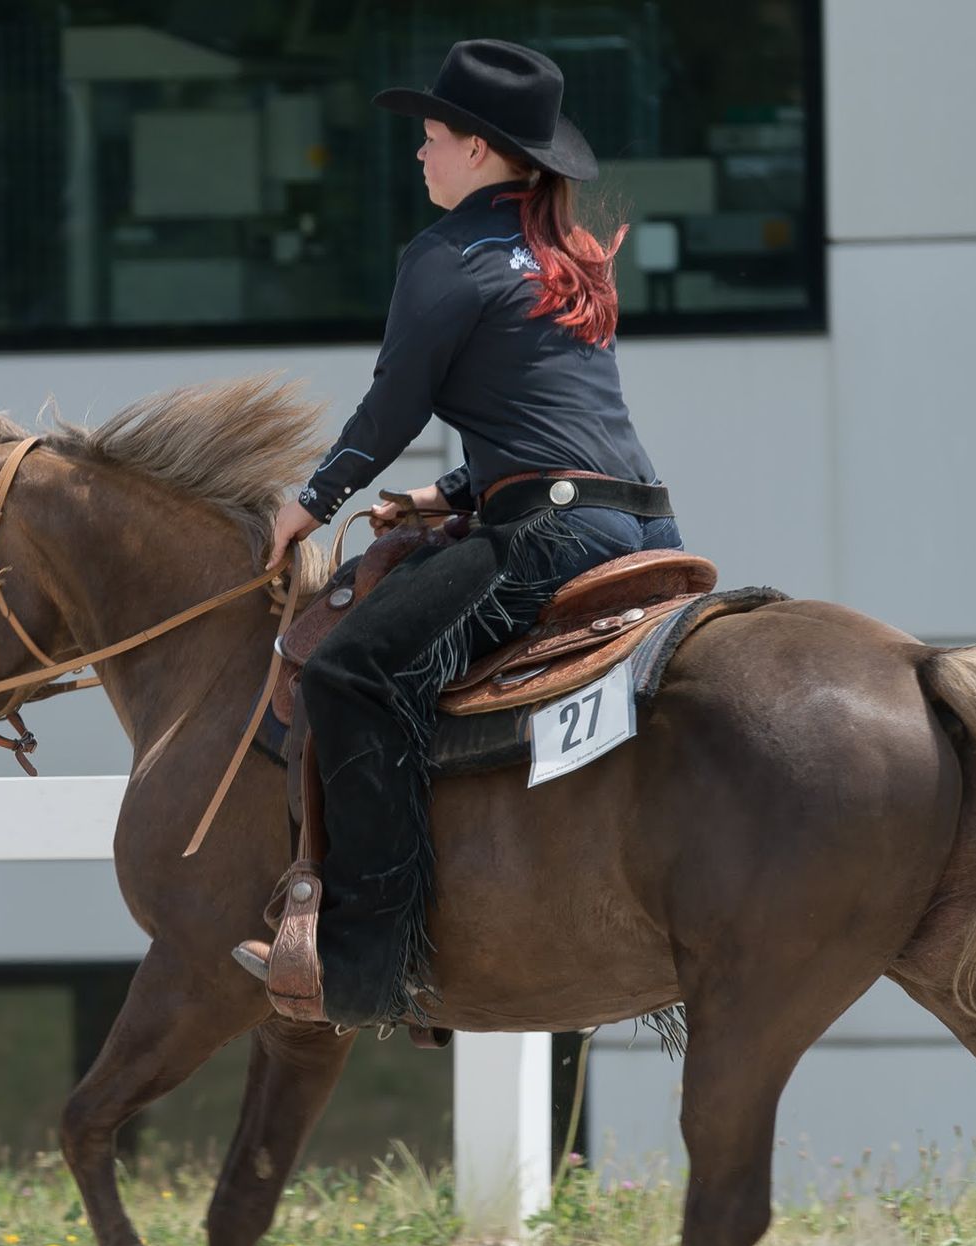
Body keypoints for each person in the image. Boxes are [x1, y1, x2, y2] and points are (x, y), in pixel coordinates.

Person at [234, 38, 686, 1031]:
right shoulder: (566, 256)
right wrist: (450, 492)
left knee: (349, 676)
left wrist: (306, 503)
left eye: (434, 139)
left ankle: (368, 957)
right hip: (641, 525)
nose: (422, 156)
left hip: (547, 541)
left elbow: (395, 401)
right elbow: (547, 419)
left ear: (481, 150)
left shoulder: (449, 255)